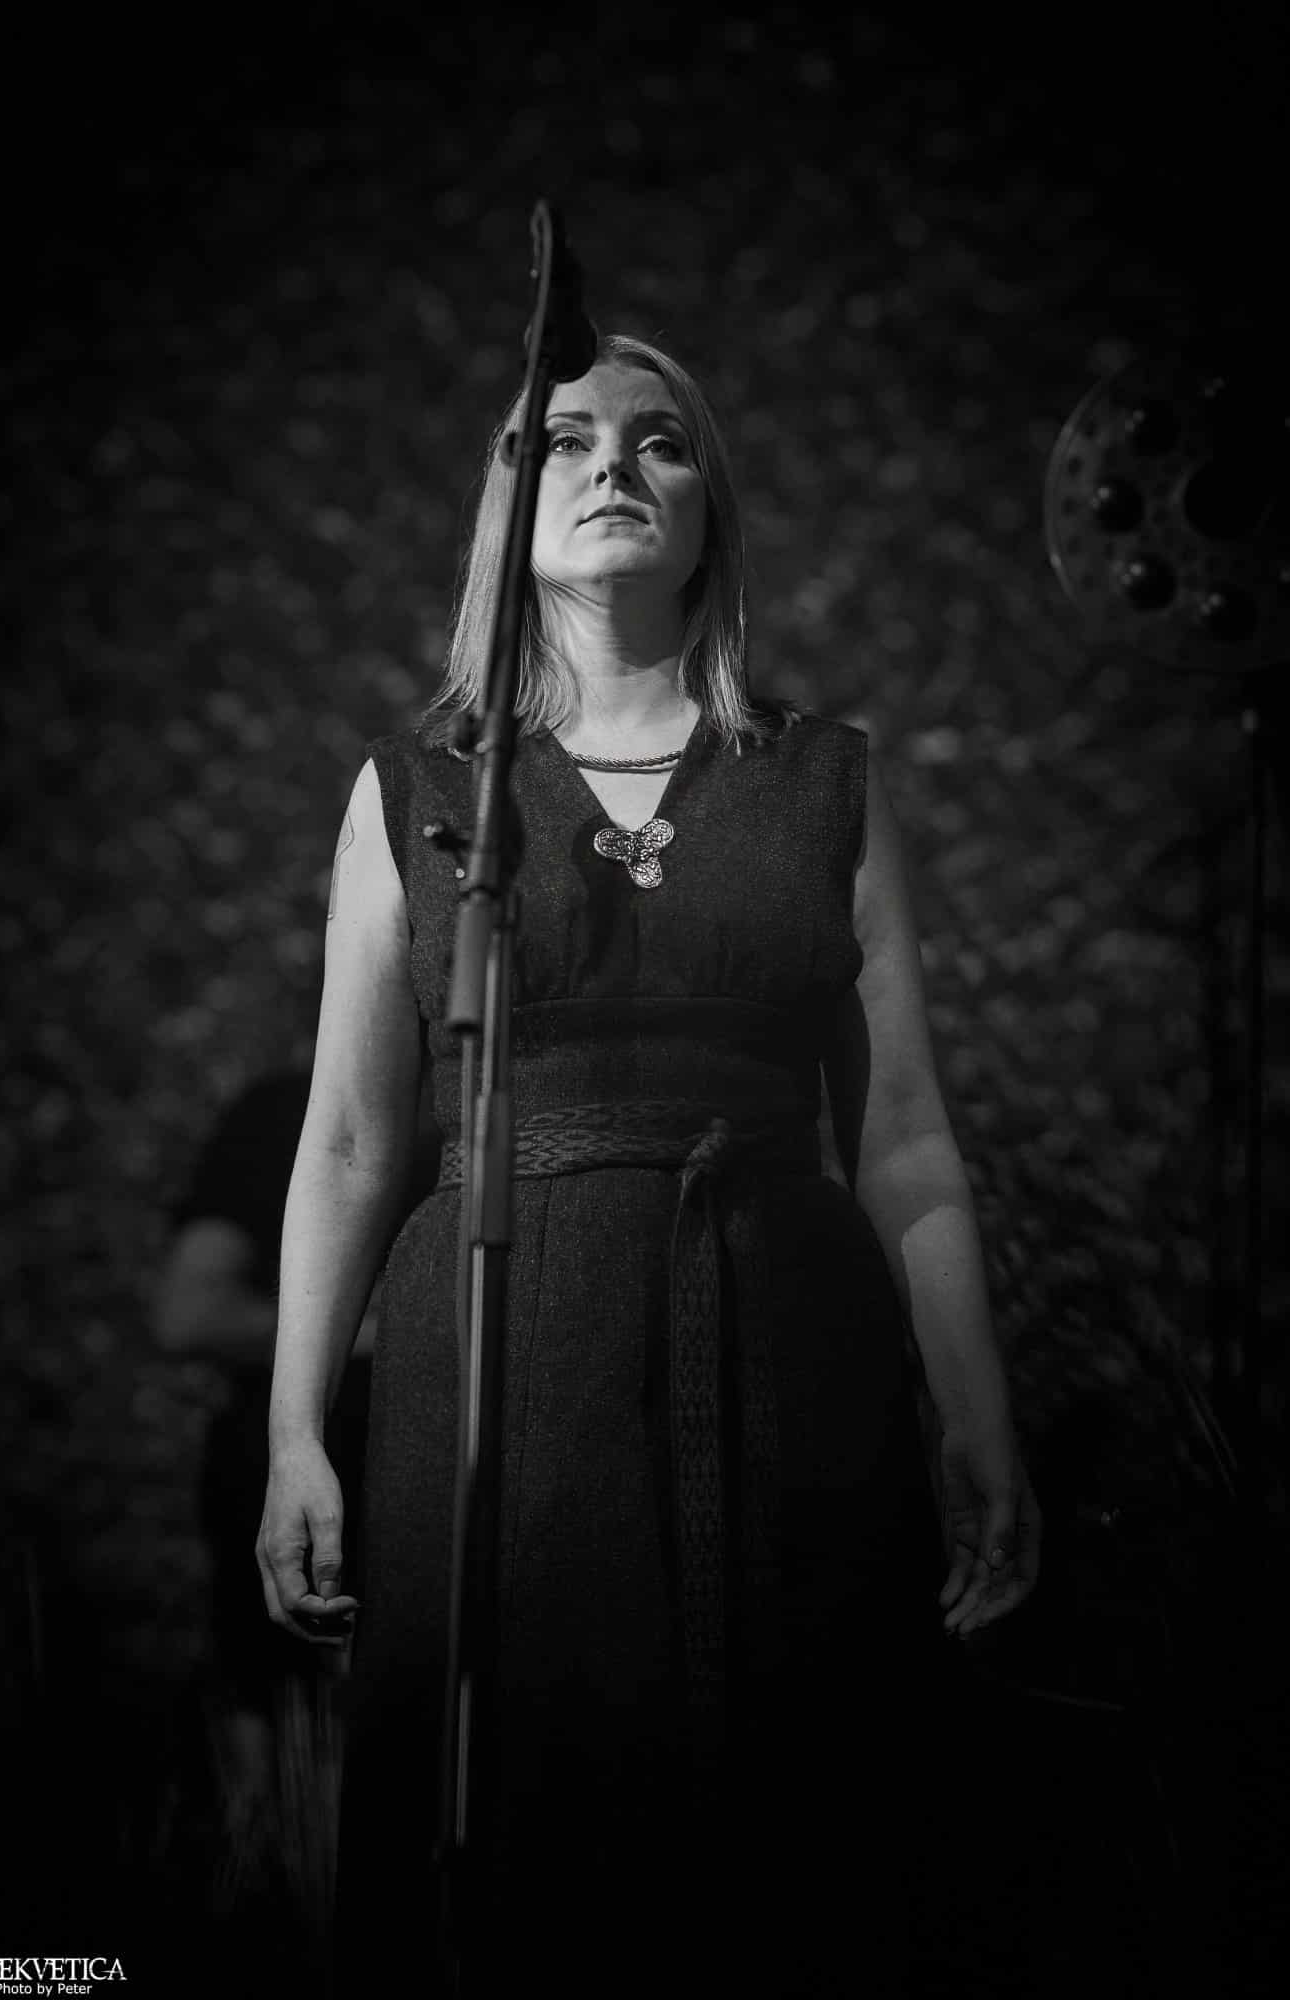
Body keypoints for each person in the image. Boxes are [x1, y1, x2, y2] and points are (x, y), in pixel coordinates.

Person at [256, 333, 1042, 1997]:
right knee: (515, 1855)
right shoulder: (414, 790)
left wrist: (976, 1412)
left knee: (802, 1842)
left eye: (658, 439)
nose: (612, 463)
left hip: (786, 1354)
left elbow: (901, 1132)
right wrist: (293, 1434)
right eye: (561, 440)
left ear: (709, 512)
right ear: (503, 508)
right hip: (497, 1369)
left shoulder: (820, 777)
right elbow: (350, 1139)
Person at [154, 1068, 374, 1817]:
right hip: (285, 1494)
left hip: (436, 1511)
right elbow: (187, 1313)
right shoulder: (283, 1110)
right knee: (280, 1787)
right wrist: (389, 1327)